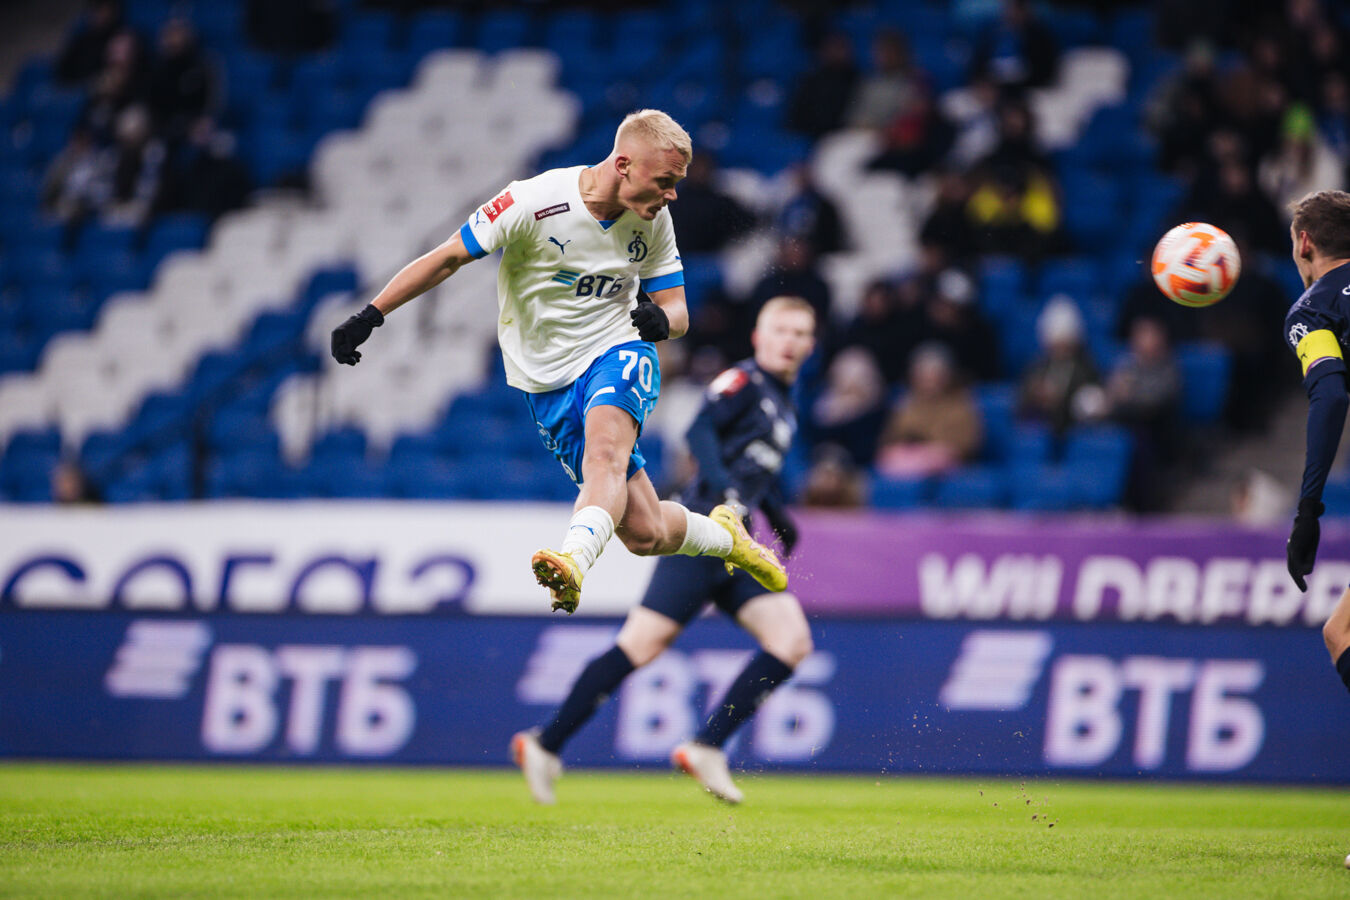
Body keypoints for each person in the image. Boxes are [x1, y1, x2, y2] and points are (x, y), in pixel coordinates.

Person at [329, 110, 787, 615]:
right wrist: (372, 314)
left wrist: (663, 322)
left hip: (618, 350)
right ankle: (726, 537)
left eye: (676, 184)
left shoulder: (654, 221)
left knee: (605, 458)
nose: (673, 194)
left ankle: (571, 561)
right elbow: (448, 256)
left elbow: (676, 309)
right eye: (665, 182)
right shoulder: (532, 201)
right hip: (545, 379)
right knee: (644, 532)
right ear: (624, 164)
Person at [511, 296, 818, 805]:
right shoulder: (744, 382)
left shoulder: (785, 403)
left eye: (800, 333)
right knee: (640, 645)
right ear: (758, 337)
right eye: (780, 330)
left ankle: (707, 747)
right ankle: (546, 742)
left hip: (737, 541)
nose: (790, 341)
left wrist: (779, 517)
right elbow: (699, 431)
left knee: (791, 641)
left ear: (811, 344)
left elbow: (756, 470)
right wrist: (726, 494)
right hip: (702, 533)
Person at [1279, 190, 1350, 694]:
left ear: (1305, 242)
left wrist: (1308, 511)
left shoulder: (1313, 309)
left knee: (1341, 633)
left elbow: (1330, 395)